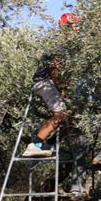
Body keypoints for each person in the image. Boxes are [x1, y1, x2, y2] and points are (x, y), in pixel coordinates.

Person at [21, 13, 80, 158]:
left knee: (70, 117)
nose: (78, 28)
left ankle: (49, 142)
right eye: (75, 25)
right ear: (67, 27)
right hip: (44, 82)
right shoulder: (59, 44)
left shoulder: (63, 43)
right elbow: (55, 69)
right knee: (61, 114)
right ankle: (35, 144)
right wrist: (61, 89)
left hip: (46, 82)